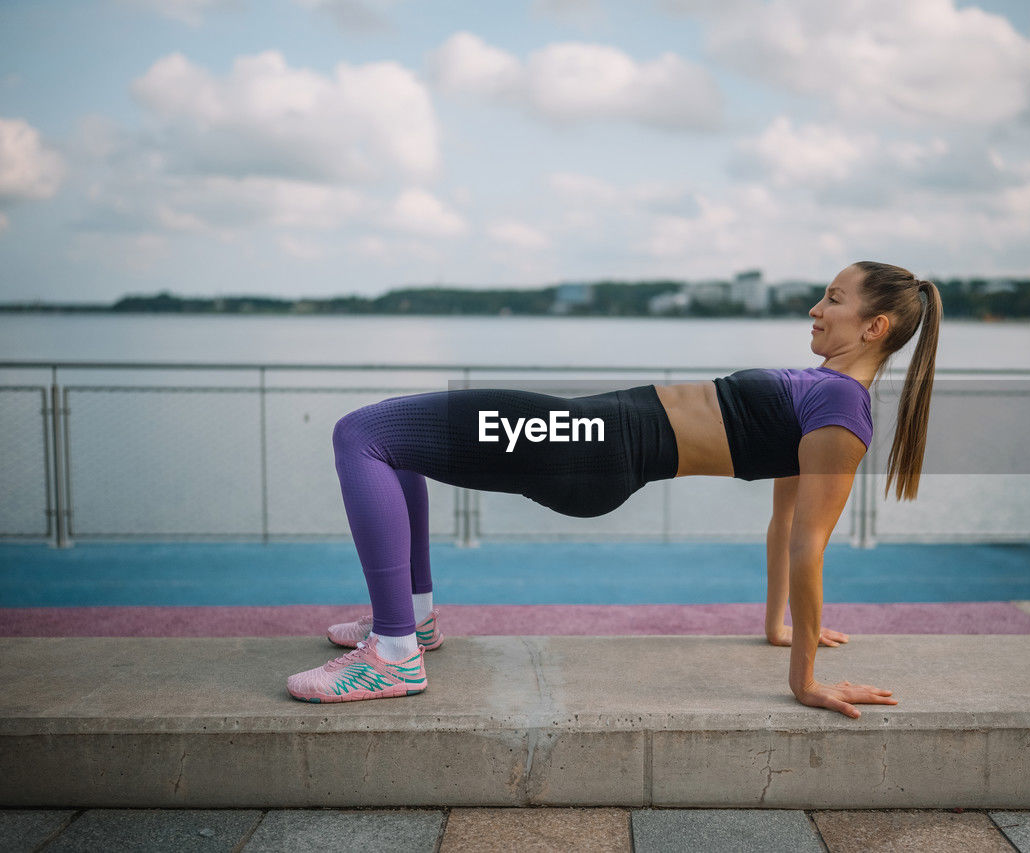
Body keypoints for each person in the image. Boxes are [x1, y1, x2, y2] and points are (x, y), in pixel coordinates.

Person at [287, 260, 941, 720]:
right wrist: (779, 627)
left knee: (362, 434)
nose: (815, 308)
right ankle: (412, 622)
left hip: (586, 442)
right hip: (588, 434)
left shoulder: (839, 411)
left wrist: (804, 682)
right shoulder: (821, 392)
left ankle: (395, 654)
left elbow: (808, 545)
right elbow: (782, 522)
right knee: (394, 441)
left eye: (833, 297)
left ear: (874, 326)